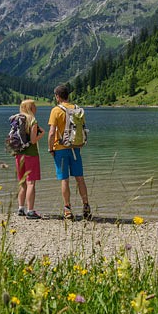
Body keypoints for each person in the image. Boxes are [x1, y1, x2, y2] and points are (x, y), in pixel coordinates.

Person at [48, 84, 92, 221]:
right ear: (68, 95)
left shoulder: (56, 110)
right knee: (80, 178)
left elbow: (51, 133)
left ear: (57, 96)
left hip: (61, 149)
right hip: (75, 148)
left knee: (64, 180)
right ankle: (86, 206)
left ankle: (67, 209)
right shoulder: (77, 109)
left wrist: (50, 149)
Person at [15, 99, 44, 219]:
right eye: (34, 105)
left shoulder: (17, 119)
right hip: (31, 154)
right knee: (31, 182)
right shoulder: (32, 120)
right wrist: (41, 134)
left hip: (19, 154)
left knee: (22, 183)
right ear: (30, 108)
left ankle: (21, 208)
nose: (36, 107)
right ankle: (31, 211)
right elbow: (33, 140)